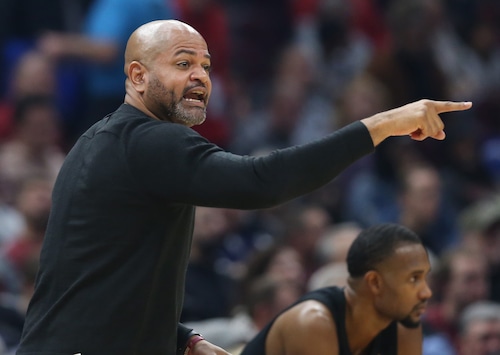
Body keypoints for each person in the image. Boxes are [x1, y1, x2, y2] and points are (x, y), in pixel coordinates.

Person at [16, 19, 472, 355]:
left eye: (206, 66)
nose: (200, 76)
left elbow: (89, 275)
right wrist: (382, 124)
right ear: (137, 77)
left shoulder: (97, 142)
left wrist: (181, 339)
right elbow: (260, 182)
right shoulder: (152, 139)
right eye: (182, 63)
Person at [241, 223, 433, 355]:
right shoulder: (312, 322)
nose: (426, 292)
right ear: (375, 283)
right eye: (413, 279)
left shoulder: (404, 329)